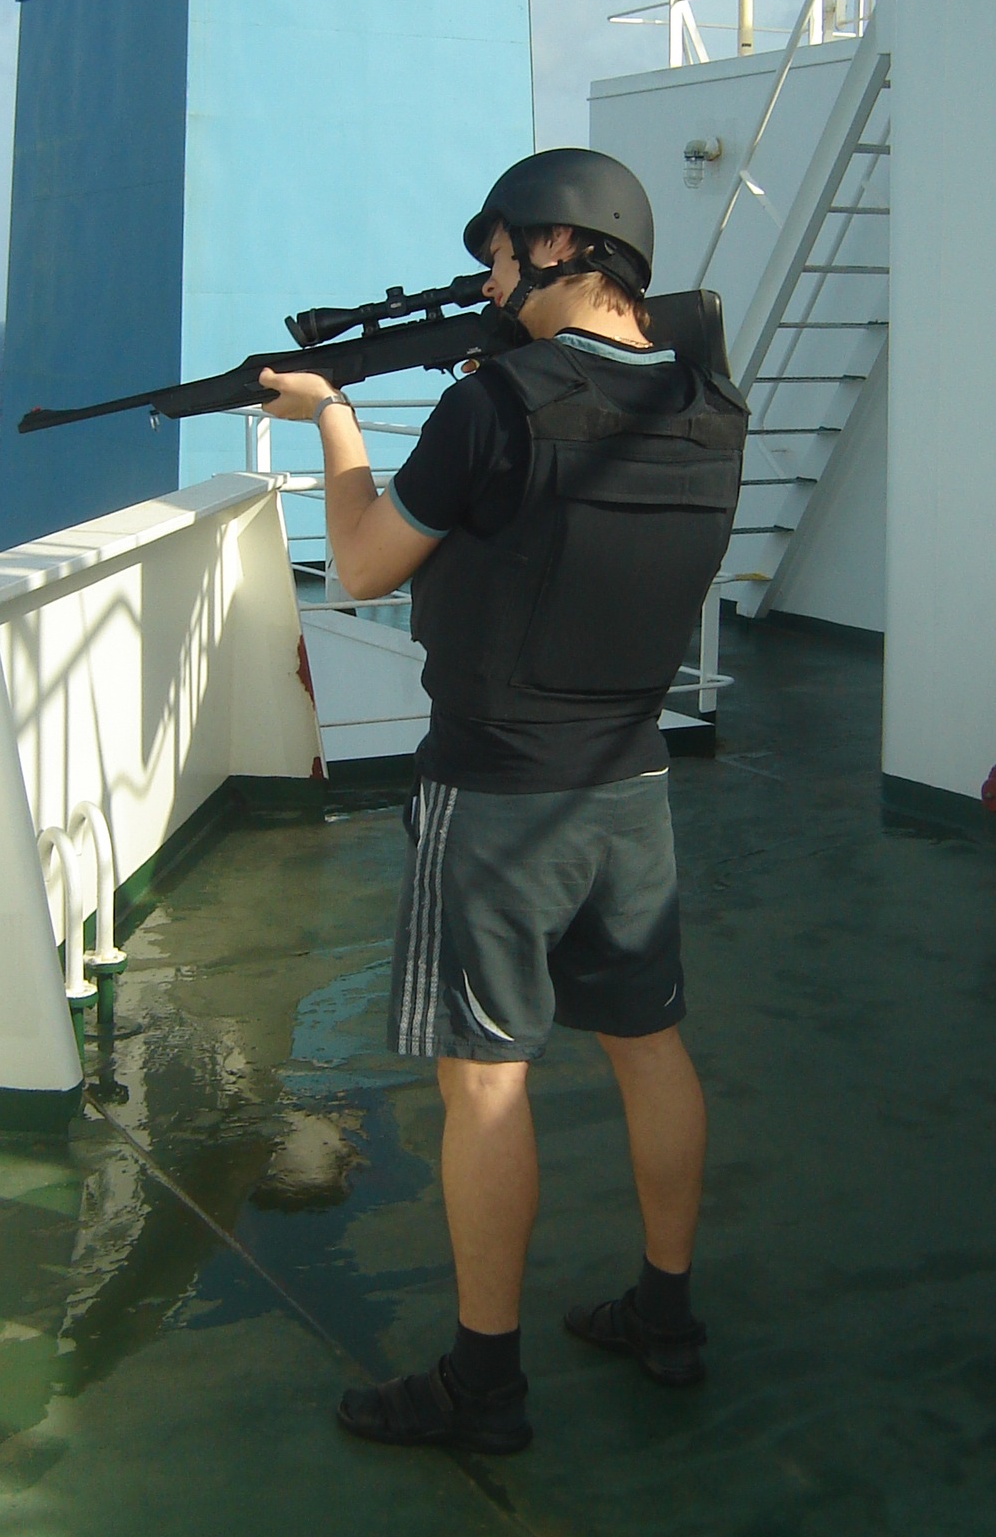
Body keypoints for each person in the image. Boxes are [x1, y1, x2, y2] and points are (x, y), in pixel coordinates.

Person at [258, 147, 744, 1456]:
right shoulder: (709, 400)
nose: (486, 279)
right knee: (650, 1046)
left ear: (559, 247)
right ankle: (665, 1318)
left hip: (497, 790)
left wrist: (333, 418)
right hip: (630, 777)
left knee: (483, 1087)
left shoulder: (496, 407)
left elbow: (363, 567)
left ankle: (482, 1388)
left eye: (497, 255)